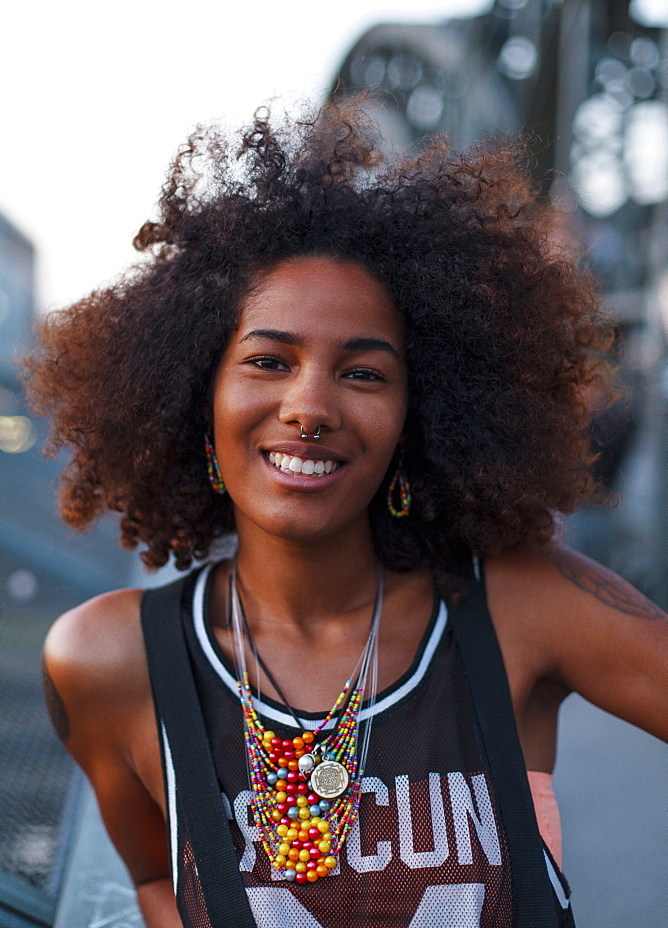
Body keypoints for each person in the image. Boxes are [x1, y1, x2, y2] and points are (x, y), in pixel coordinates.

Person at [25, 103, 668, 928]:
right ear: (196, 398)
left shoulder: (517, 608)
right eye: (268, 360)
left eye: (364, 374)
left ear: (421, 414)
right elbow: (157, 881)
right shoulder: (109, 660)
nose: (310, 406)